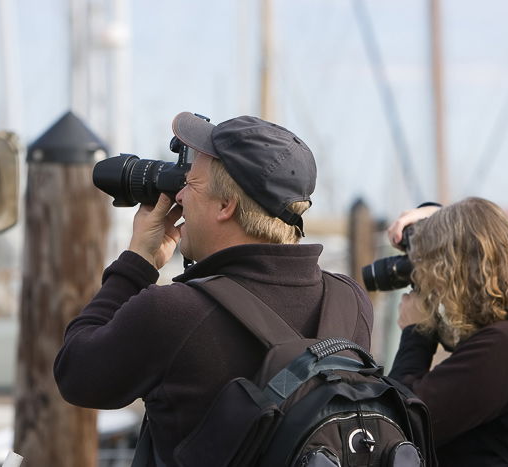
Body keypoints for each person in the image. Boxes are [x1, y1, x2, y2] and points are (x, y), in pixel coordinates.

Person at [53, 112, 374, 466]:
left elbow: (76, 373)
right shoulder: (350, 301)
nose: (179, 196)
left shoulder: (174, 311)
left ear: (226, 206)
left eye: (190, 183)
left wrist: (136, 262)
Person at [387, 197, 508, 466]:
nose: (427, 282)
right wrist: (437, 216)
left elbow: (398, 426)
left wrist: (417, 330)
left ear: (455, 272)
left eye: (431, 270)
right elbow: (476, 233)